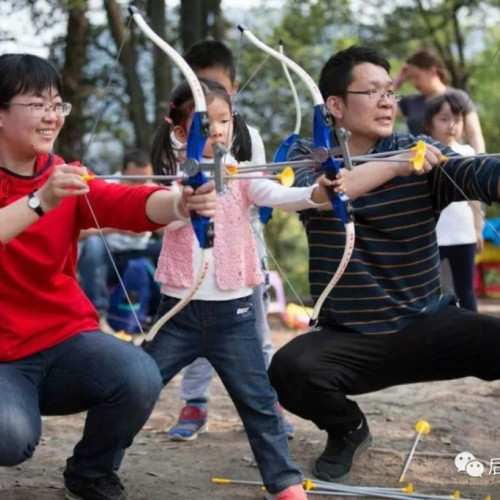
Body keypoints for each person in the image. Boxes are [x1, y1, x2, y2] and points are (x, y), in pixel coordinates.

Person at [267, 45, 500, 484]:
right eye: (372, 92)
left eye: (390, 92)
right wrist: (394, 167)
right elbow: (325, 194)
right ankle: (348, 429)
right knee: (289, 370)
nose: (387, 101)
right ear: (334, 105)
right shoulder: (307, 154)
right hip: (351, 341)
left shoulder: (417, 149)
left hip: (428, 325)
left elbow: (477, 173)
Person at [0, 53, 216, 500]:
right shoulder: (52, 189)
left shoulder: (64, 177)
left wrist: (180, 204)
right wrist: (40, 201)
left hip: (61, 341)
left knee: (138, 375)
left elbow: (129, 204)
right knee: (10, 437)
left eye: (58, 105)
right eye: (37, 104)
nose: (51, 116)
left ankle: (90, 472)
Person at [144, 77, 337, 500]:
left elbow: (275, 194)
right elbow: (163, 214)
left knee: (259, 402)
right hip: (178, 311)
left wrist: (317, 194)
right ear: (181, 133)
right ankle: (92, 464)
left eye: (223, 121)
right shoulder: (172, 178)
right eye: (204, 124)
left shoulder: (241, 171)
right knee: (134, 388)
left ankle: (284, 483)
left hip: (233, 315)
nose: (216, 131)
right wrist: (186, 197)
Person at [165, 39, 295, 441]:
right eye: (196, 86)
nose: (207, 103)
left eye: (214, 86)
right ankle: (195, 402)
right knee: (195, 336)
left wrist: (305, 194)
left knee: (255, 335)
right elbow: (165, 200)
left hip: (242, 252)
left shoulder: (244, 134)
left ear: (233, 88)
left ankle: (268, 401)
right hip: (193, 256)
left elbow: (258, 189)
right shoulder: (177, 143)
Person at [78, 150, 163, 336]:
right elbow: (79, 232)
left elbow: (168, 228)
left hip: (139, 250)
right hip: (110, 254)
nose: (140, 185)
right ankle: (98, 315)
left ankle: (165, 315)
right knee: (93, 245)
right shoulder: (105, 186)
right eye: (134, 180)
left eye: (144, 180)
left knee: (169, 247)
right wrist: (117, 228)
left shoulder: (154, 188)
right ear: (121, 173)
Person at [422, 93, 484, 311]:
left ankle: (474, 338)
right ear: (429, 123)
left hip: (463, 234)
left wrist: (477, 230)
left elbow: (474, 199)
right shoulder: (421, 153)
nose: (452, 125)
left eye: (457, 120)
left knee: (465, 290)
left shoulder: (468, 153)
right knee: (428, 291)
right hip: (432, 236)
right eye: (444, 119)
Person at [394, 49, 485, 153]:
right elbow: (384, 107)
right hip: (417, 162)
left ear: (432, 72)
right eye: (411, 79)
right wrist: (397, 81)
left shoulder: (458, 97)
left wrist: (480, 162)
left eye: (416, 77)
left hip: (453, 160)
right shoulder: (411, 101)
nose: (414, 83)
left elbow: (474, 135)